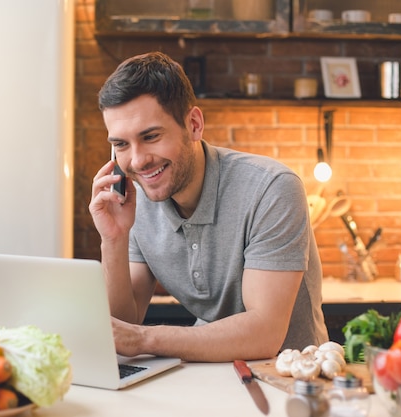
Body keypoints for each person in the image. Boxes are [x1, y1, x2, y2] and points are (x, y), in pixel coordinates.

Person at [89, 51, 328, 362]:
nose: (137, 161)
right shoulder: (137, 200)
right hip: (204, 373)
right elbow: (123, 325)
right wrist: (114, 239)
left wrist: (145, 338)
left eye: (150, 136)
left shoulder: (271, 188)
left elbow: (265, 332)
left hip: (287, 377)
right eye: (121, 144)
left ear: (194, 125)